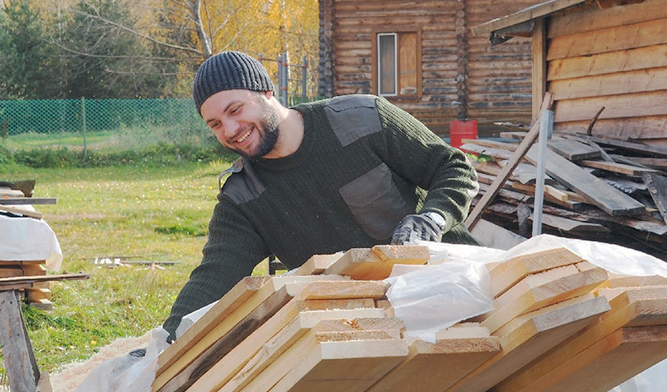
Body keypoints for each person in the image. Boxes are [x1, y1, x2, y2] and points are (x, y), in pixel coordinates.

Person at [162, 51, 480, 340]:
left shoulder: (363, 117)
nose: (230, 130)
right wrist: (165, 342)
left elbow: (452, 167)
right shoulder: (244, 196)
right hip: (364, 333)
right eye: (215, 124)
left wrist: (432, 219)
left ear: (266, 92)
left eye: (235, 109)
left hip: (458, 294)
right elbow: (213, 278)